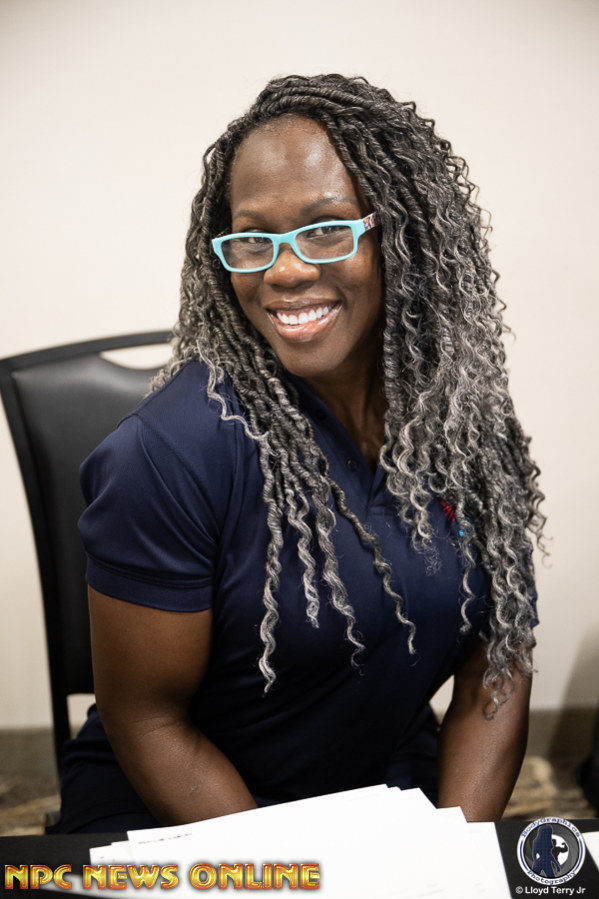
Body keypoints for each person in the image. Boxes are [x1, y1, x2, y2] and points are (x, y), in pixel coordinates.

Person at [52, 73, 545, 833]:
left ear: (403, 237)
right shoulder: (168, 452)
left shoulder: (461, 421)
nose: (283, 271)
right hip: (184, 817)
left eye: (326, 229)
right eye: (254, 239)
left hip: (377, 788)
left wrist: (451, 864)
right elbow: (148, 720)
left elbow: (496, 666)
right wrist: (292, 880)